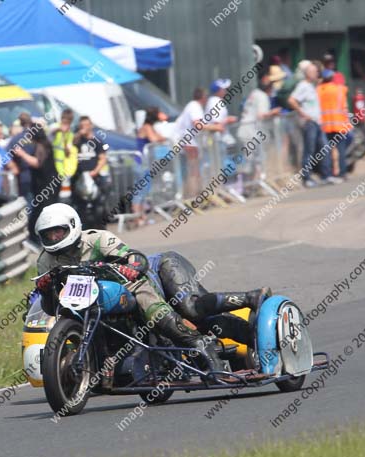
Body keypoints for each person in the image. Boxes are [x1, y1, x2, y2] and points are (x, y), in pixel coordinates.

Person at [33, 204, 271, 375]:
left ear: (72, 226)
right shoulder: (46, 260)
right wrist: (45, 290)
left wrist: (130, 268)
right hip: (90, 300)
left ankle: (242, 307)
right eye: (48, 234)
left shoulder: (97, 239)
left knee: (190, 309)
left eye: (58, 231)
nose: (54, 237)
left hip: (145, 278)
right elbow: (53, 306)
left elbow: (136, 259)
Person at [288, 62, 337, 187]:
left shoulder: (312, 86)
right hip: (309, 123)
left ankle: (326, 175)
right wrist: (302, 113)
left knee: (324, 148)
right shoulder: (303, 86)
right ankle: (307, 178)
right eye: (314, 72)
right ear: (308, 73)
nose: (317, 74)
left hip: (317, 122)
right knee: (308, 151)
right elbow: (292, 100)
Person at [12, 119, 60, 241]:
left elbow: (38, 163)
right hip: (47, 185)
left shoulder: (41, 146)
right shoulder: (44, 144)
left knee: (41, 212)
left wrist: (22, 154)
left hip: (46, 186)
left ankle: (38, 237)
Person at [238, 70, 284, 182]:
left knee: (253, 160)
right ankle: (248, 186)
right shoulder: (262, 96)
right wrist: (273, 112)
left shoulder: (254, 93)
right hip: (251, 132)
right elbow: (261, 115)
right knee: (252, 161)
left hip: (245, 130)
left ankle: (254, 185)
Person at [71, 116, 110, 230]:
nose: (84, 128)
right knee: (80, 205)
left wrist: (95, 171)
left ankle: (100, 226)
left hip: (94, 176)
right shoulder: (77, 141)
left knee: (98, 204)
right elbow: (69, 146)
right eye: (81, 126)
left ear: (91, 126)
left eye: (86, 125)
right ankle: (84, 228)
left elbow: (103, 158)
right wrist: (78, 134)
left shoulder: (96, 141)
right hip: (79, 177)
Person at [133, 107, 167, 227]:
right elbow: (154, 139)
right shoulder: (146, 127)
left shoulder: (150, 127)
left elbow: (161, 137)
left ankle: (142, 216)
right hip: (140, 162)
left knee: (144, 191)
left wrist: (161, 138)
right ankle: (138, 218)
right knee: (139, 192)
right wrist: (160, 138)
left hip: (144, 163)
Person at [317, 69, 352, 179]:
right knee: (341, 150)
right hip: (339, 124)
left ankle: (328, 172)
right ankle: (342, 172)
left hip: (325, 125)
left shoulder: (318, 90)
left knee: (325, 150)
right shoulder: (340, 90)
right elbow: (345, 106)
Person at [8, 113, 38, 238]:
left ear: (20, 123)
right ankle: (36, 234)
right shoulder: (37, 137)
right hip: (40, 177)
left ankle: (28, 234)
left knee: (28, 206)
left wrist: (14, 168)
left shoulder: (16, 139)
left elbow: (7, 157)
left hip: (24, 176)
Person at [175, 87, 209, 196]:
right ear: (203, 97)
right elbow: (197, 124)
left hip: (189, 141)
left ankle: (195, 194)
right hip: (189, 142)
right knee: (193, 170)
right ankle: (193, 196)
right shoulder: (195, 106)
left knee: (193, 169)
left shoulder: (192, 105)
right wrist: (215, 127)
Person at [52, 109, 78, 200]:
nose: (66, 124)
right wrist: (59, 130)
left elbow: (68, 151)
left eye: (69, 121)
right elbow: (49, 134)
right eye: (65, 120)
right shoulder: (55, 127)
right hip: (52, 167)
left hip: (63, 169)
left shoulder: (70, 133)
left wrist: (68, 147)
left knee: (64, 195)